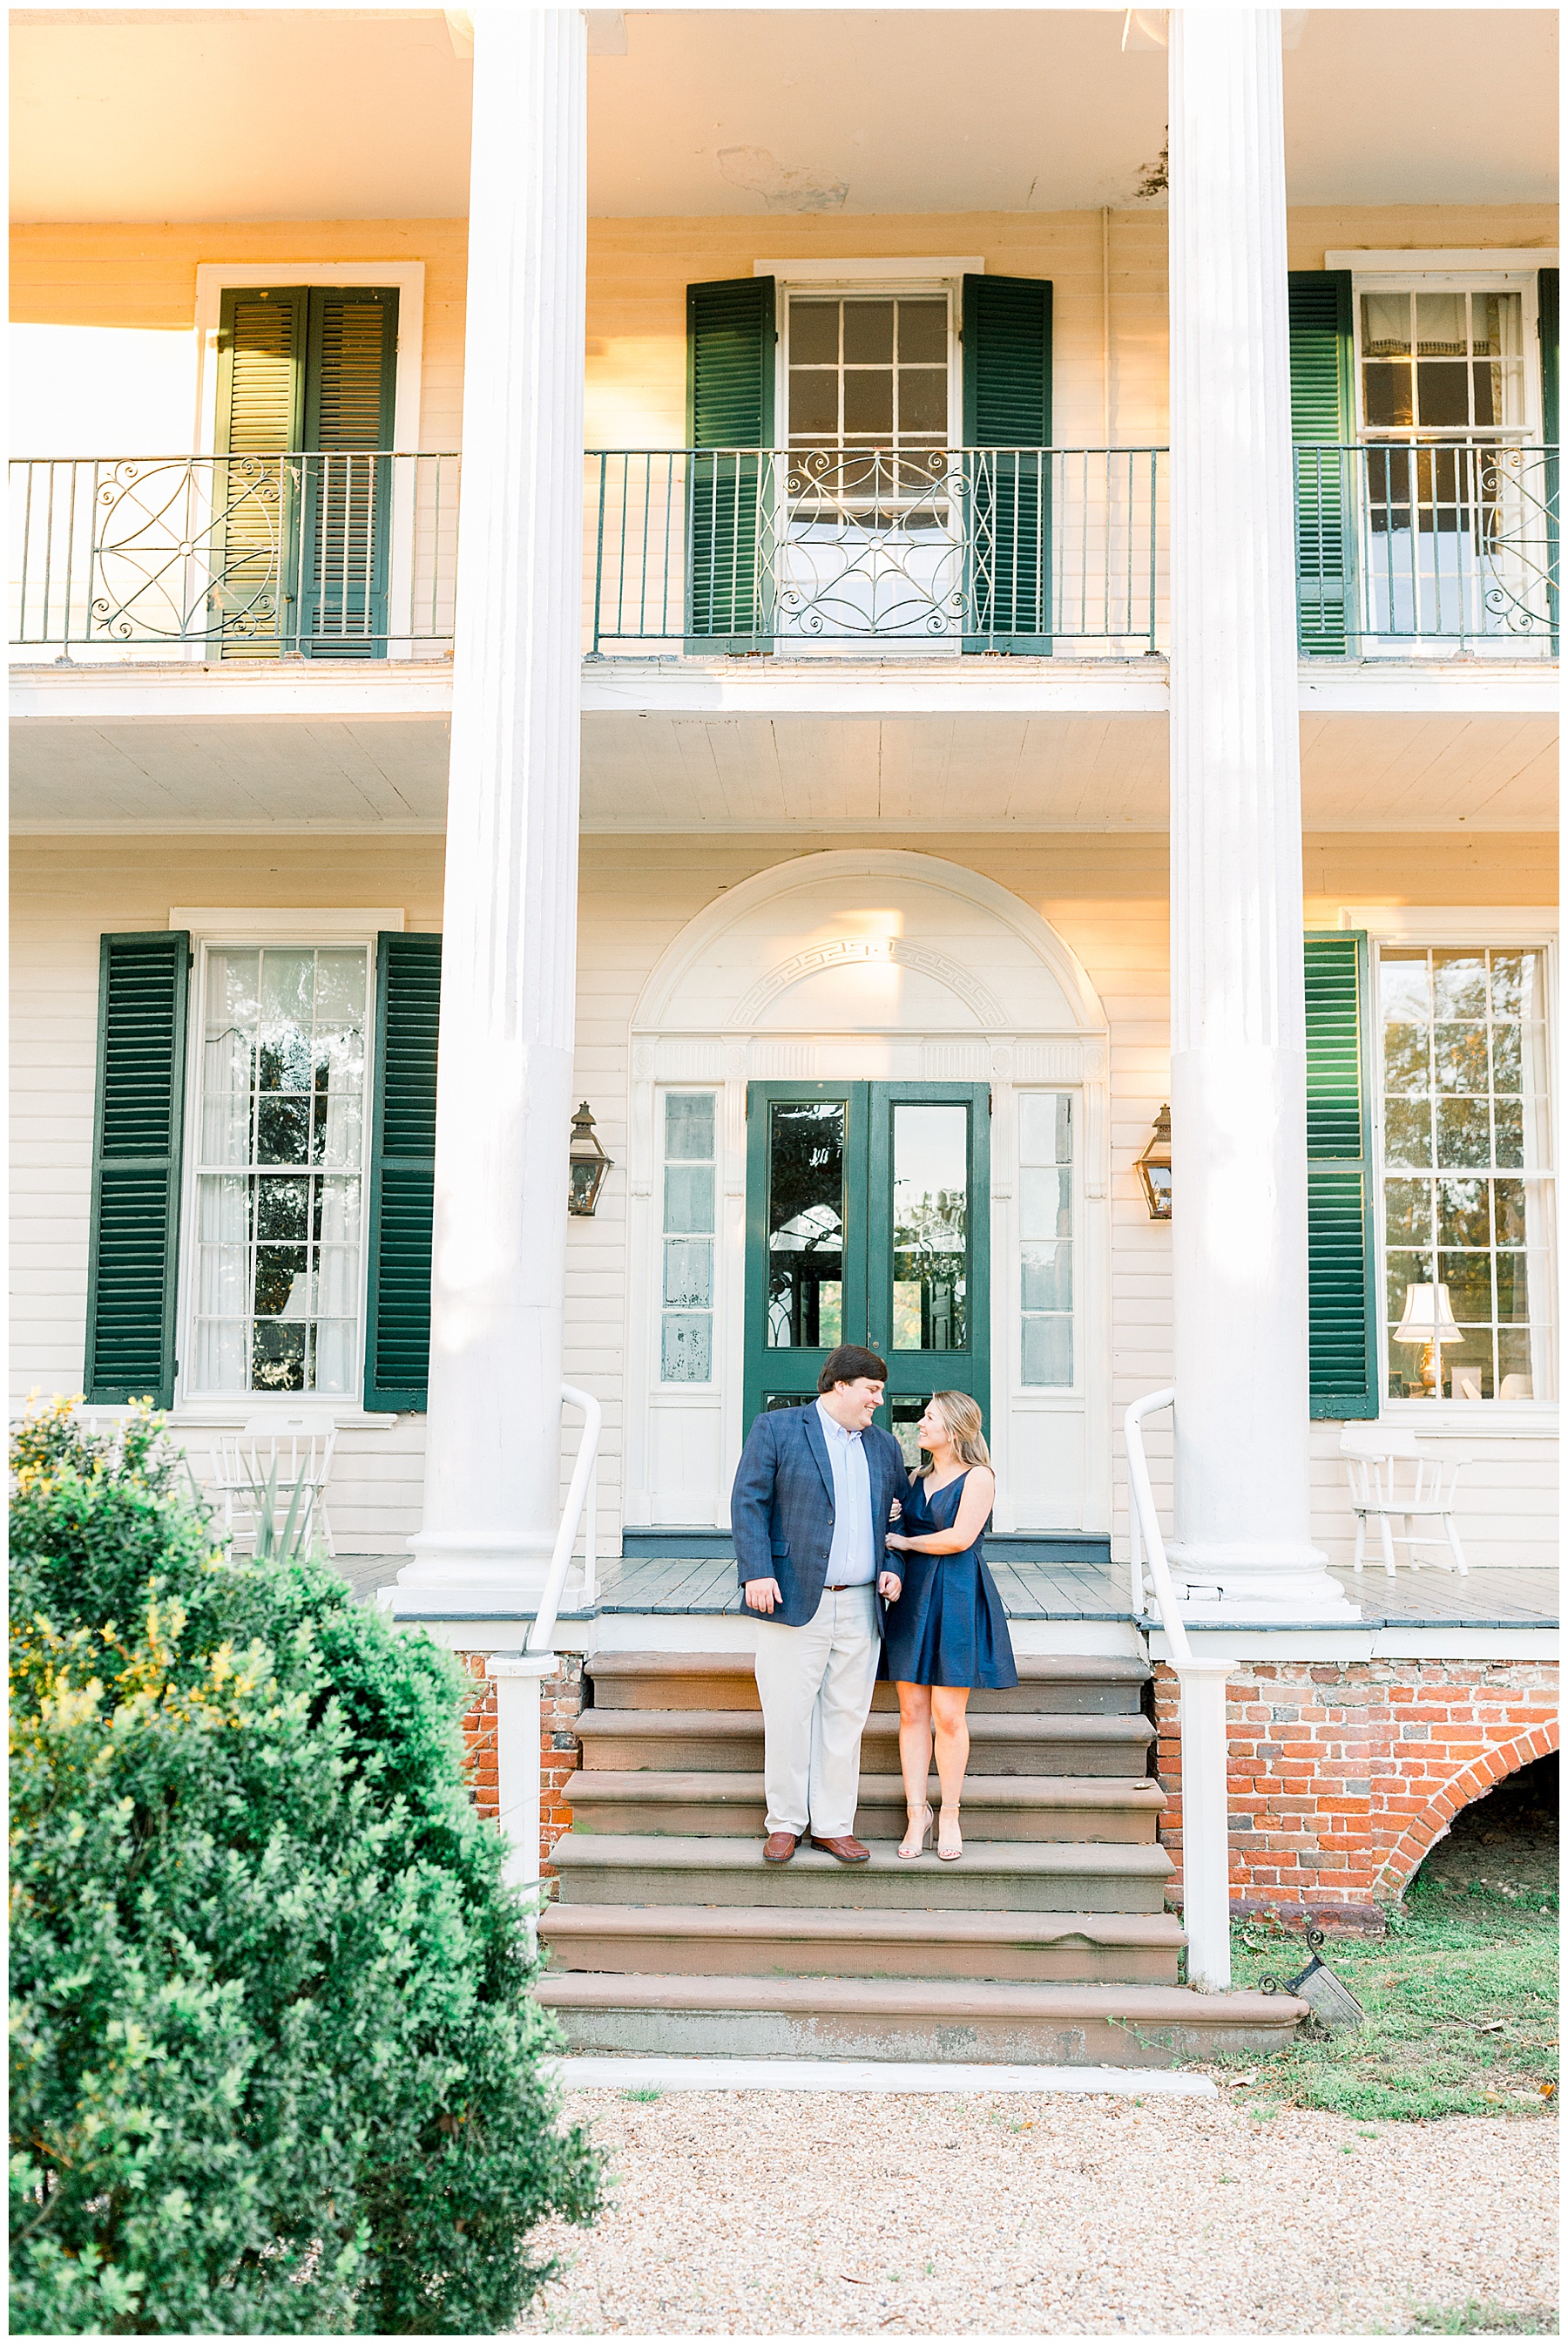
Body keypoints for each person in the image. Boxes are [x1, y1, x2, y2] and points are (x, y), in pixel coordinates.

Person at [730, 1345, 910, 1866]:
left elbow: (897, 1518)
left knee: (845, 1718)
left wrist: (893, 1570)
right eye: (871, 1391)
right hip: (792, 1598)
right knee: (788, 1715)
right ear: (839, 1386)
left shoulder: (883, 1446)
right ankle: (785, 1822)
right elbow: (749, 1501)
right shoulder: (778, 1429)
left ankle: (833, 1825)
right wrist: (757, 1571)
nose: (878, 1401)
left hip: (860, 1605)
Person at [881, 1390, 1017, 1863]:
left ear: (954, 1428)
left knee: (949, 1716)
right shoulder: (915, 1478)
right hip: (913, 1597)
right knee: (911, 1712)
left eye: (929, 1417)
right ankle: (917, 1812)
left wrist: (903, 1539)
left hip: (957, 1595)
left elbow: (961, 1538)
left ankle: (952, 1812)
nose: (920, 1422)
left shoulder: (979, 1477)